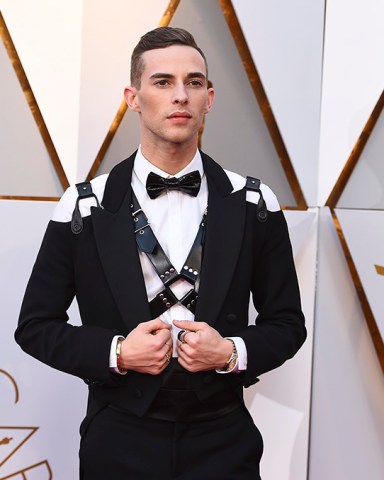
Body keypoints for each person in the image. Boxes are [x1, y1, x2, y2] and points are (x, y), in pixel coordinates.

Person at [16, 27, 306, 479]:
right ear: (133, 97)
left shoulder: (255, 203)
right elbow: (34, 326)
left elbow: (288, 324)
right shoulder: (83, 206)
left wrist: (232, 351)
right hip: (118, 438)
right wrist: (116, 353)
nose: (180, 96)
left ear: (210, 98)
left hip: (224, 439)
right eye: (162, 82)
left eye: (193, 83)